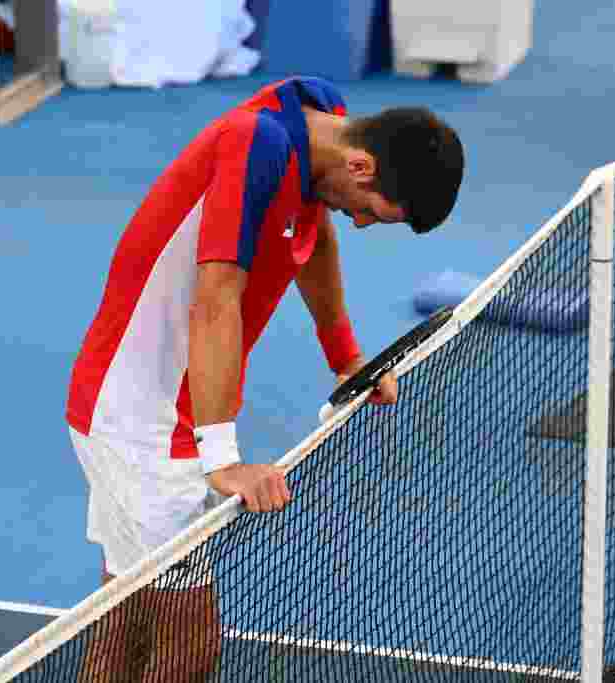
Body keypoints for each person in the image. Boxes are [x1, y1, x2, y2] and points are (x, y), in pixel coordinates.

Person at [64, 76, 464, 681]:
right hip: (142, 423)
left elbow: (317, 238)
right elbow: (217, 297)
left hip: (139, 409)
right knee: (188, 643)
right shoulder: (257, 145)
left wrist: (346, 358)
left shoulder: (319, 123)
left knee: (127, 613)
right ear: (360, 164)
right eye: (368, 211)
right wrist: (220, 458)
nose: (358, 224)